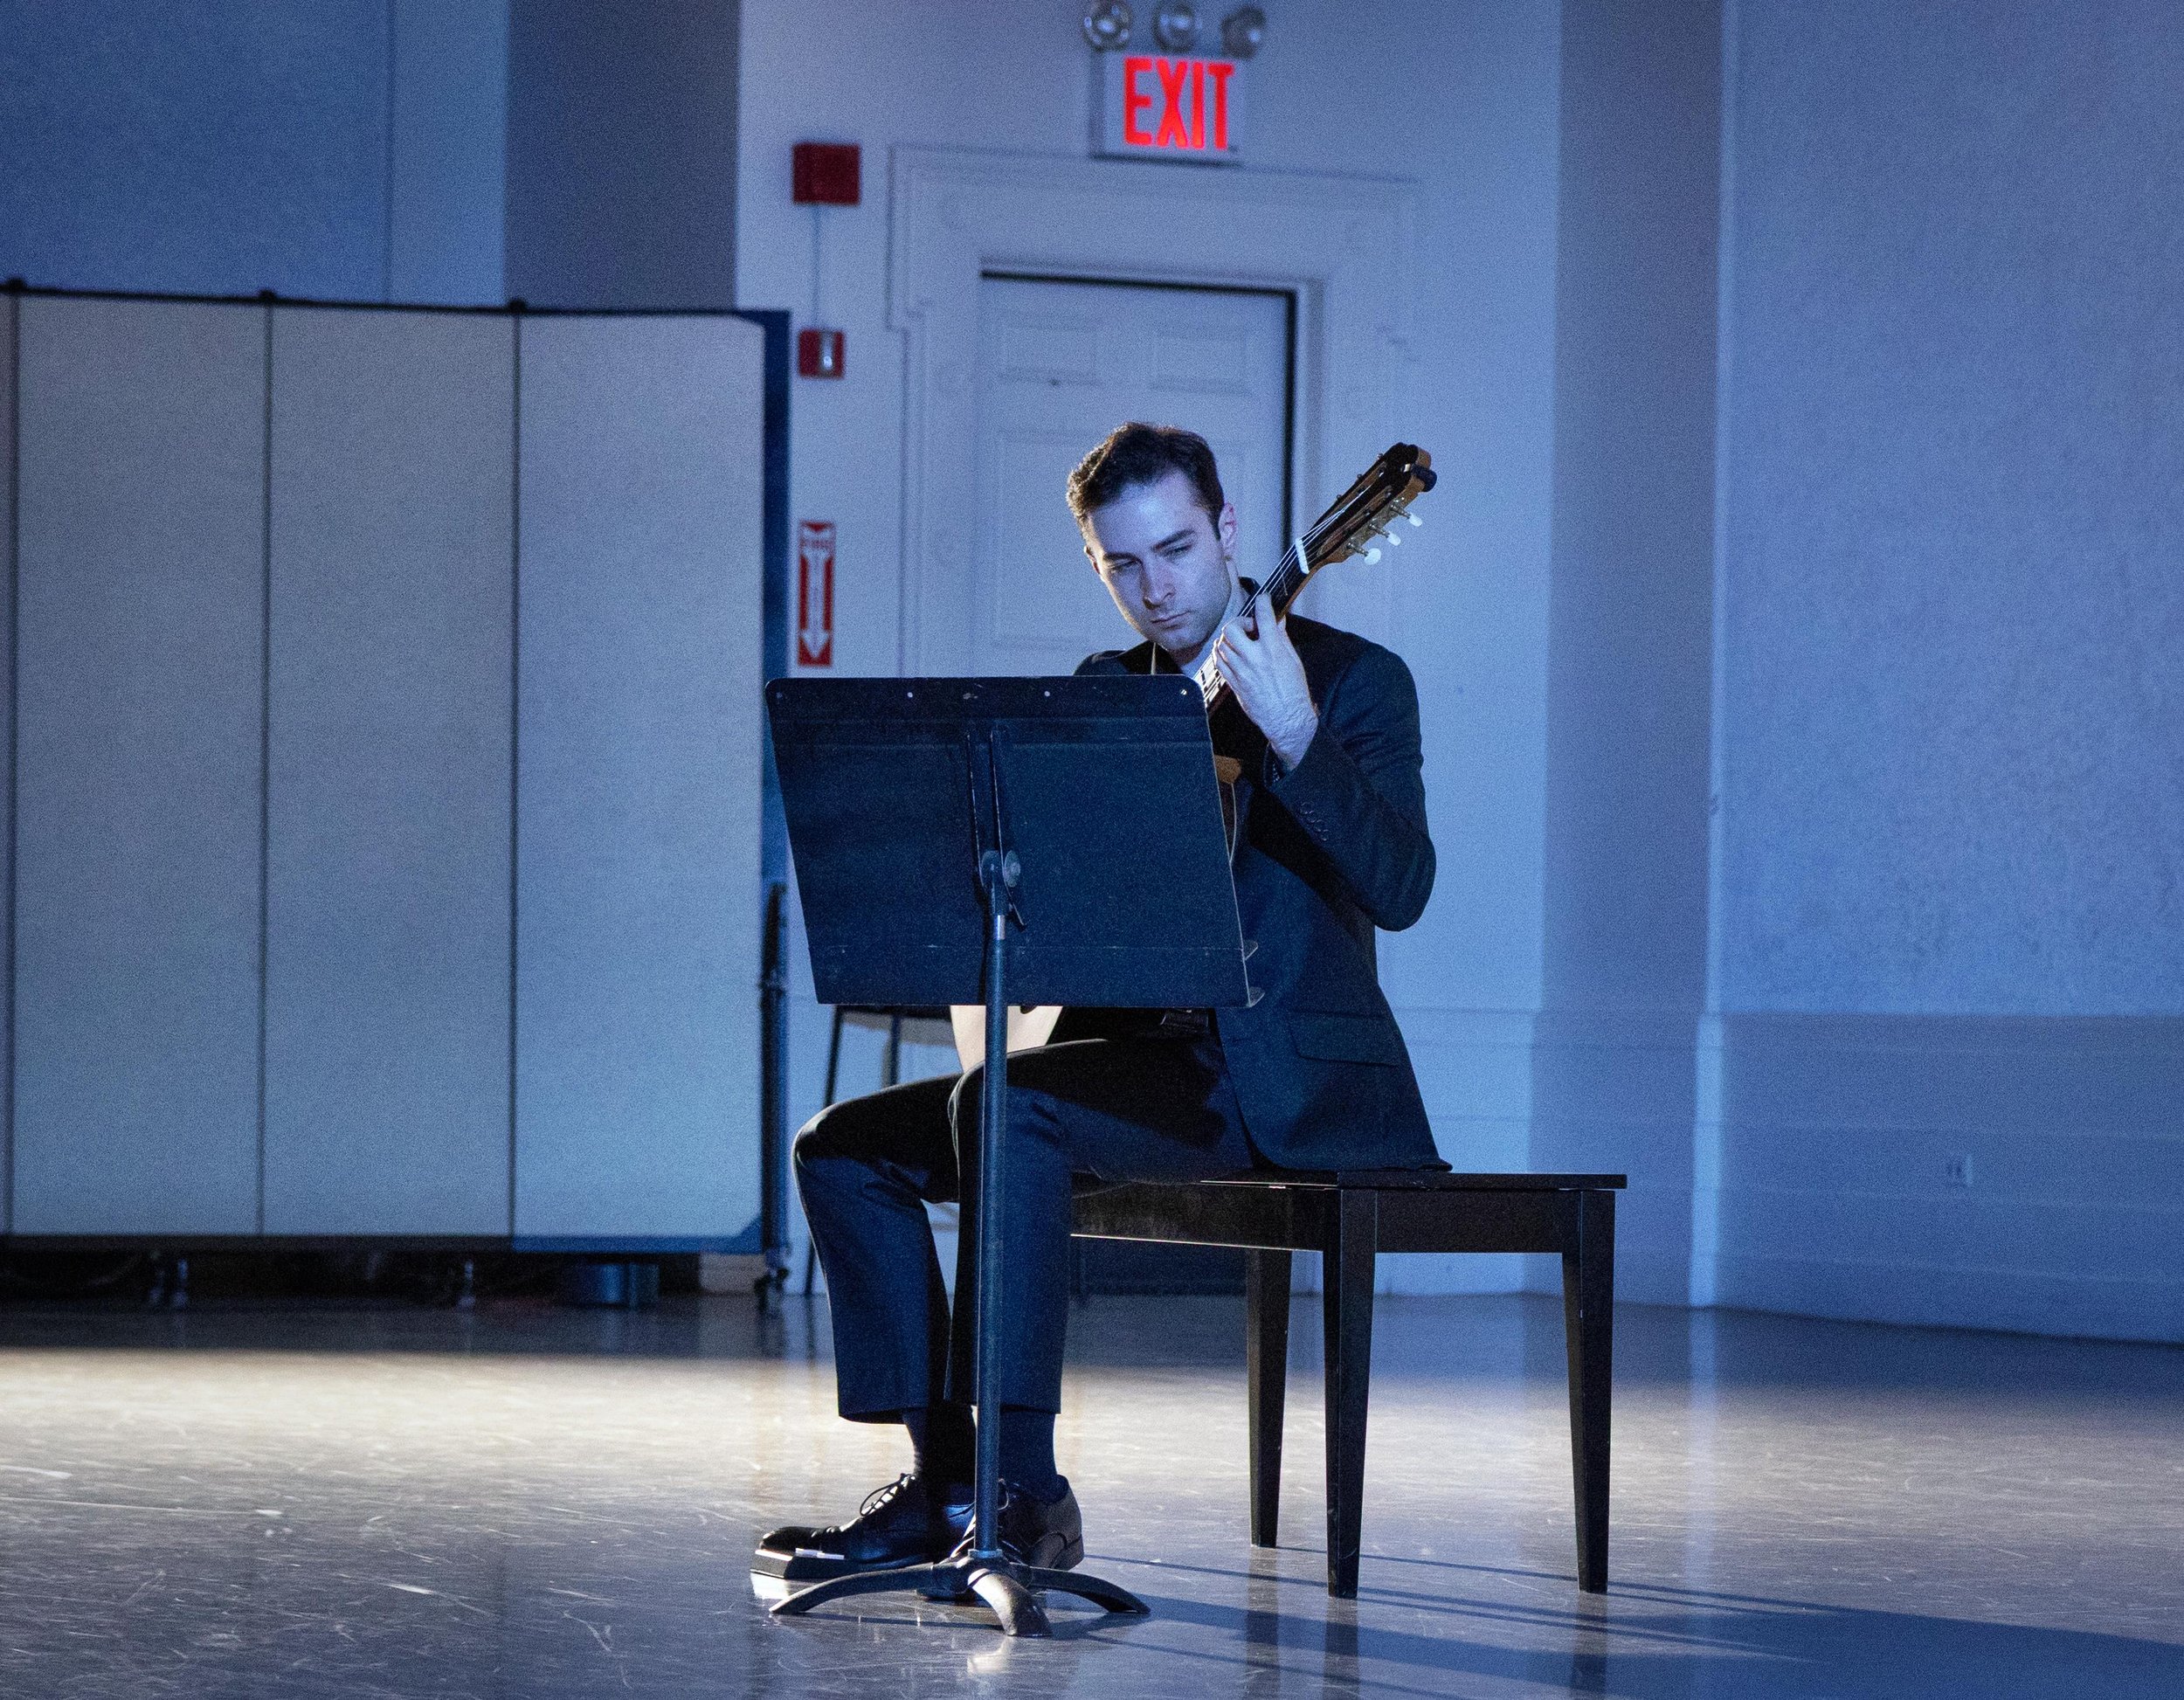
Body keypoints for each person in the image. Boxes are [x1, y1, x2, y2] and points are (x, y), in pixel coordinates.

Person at [756, 422, 1440, 1582]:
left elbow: (1403, 885)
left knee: (1009, 1109)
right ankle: (946, 1482)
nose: (1156, 587)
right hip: (1132, 1061)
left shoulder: (1354, 681)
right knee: (839, 1146)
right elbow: (1069, 916)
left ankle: (1025, 1495)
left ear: (1228, 530)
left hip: (1276, 1076)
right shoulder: (1101, 696)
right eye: (1122, 565)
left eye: (1176, 549)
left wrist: (1294, 734)